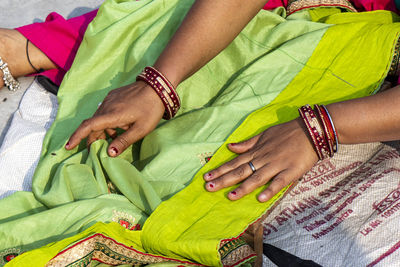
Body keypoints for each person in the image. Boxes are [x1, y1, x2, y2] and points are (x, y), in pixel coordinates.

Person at [1, 0, 400, 266]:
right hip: (288, 15)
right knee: (159, 25)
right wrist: (158, 85)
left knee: (214, 155)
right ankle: (33, 48)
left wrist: (319, 127)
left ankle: (36, 48)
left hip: (358, 46)